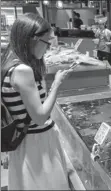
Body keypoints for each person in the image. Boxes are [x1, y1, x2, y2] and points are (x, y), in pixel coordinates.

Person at [1, 13, 72, 190]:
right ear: (32, 39)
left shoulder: (9, 61)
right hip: (37, 145)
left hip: (25, 143)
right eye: (47, 42)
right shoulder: (23, 70)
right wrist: (57, 84)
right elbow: (39, 117)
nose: (48, 48)